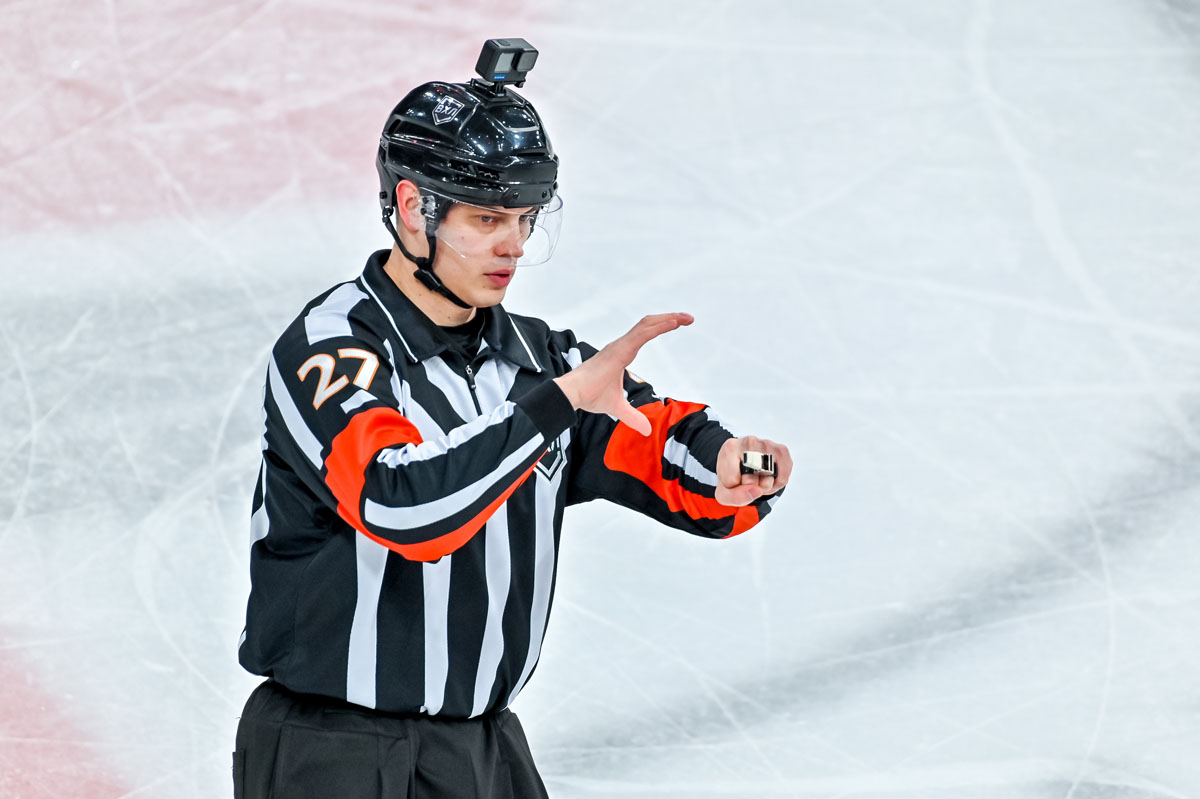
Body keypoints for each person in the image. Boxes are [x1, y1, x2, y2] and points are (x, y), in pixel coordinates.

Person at [232, 39, 791, 799]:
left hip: (480, 749)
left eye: (526, 219)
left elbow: (653, 437)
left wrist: (731, 467)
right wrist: (555, 404)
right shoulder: (333, 348)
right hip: (335, 754)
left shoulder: (539, 360)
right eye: (488, 218)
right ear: (412, 208)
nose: (515, 246)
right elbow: (401, 504)